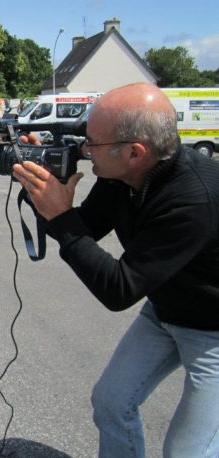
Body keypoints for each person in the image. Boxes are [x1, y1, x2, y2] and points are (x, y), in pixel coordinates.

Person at [12, 82, 219, 457]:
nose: (84, 150)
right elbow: (84, 228)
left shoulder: (194, 198)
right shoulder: (120, 176)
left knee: (186, 450)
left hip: (213, 330)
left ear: (135, 152)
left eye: (92, 143)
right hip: (166, 310)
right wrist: (44, 179)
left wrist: (61, 215)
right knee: (111, 403)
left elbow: (118, 290)